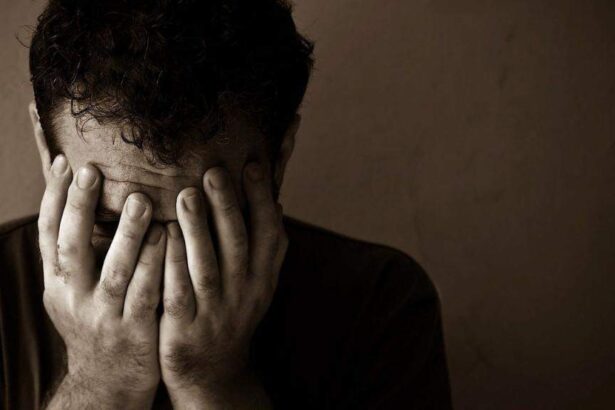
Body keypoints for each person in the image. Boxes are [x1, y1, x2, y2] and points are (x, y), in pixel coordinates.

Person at [0, 0, 452, 408]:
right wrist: (100, 382)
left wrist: (213, 385)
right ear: (45, 148)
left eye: (205, 224)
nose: (161, 278)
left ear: (279, 160)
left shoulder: (380, 306)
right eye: (109, 223)